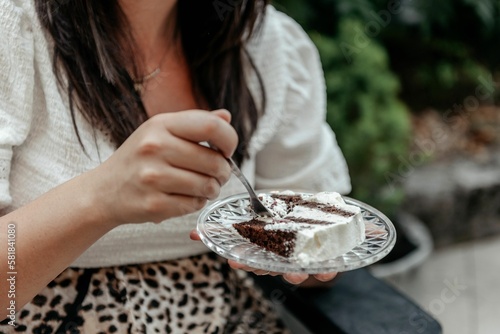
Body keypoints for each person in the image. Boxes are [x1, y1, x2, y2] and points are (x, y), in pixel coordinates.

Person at [0, 0, 351, 332]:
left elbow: (318, 257)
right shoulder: (12, 26)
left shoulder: (264, 44)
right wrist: (99, 199)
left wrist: (312, 252)